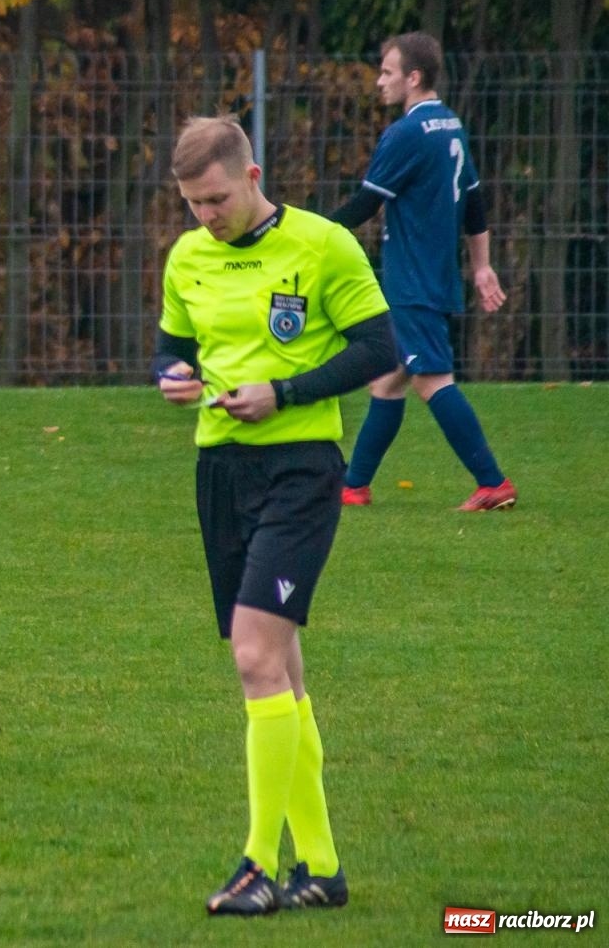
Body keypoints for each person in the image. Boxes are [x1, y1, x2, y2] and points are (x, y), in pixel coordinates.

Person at [155, 118, 396, 914]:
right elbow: (172, 347)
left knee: (256, 655)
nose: (207, 216)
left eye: (217, 199)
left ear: (252, 175)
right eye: (193, 204)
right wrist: (174, 377)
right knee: (279, 670)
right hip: (220, 472)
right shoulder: (187, 256)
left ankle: (258, 863)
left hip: (300, 469)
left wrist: (283, 393)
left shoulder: (324, 245)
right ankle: (321, 869)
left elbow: (380, 349)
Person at [330, 31, 514, 511]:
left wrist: (307, 232)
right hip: (434, 276)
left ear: (413, 77)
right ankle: (352, 487)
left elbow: (366, 204)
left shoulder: (405, 133)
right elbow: (474, 203)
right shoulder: (450, 125)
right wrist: (482, 267)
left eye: (387, 72)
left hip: (412, 281)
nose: (379, 81)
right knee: (388, 380)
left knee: (432, 380)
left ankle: (492, 483)